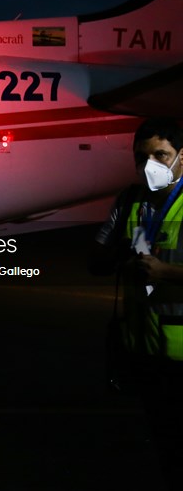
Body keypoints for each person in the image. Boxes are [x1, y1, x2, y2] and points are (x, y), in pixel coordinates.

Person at [95, 117, 183, 384]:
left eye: (161, 154)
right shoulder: (129, 201)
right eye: (142, 156)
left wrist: (165, 272)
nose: (150, 164)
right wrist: (122, 259)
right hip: (141, 349)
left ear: (182, 157)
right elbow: (96, 263)